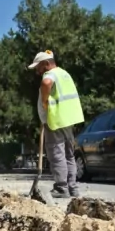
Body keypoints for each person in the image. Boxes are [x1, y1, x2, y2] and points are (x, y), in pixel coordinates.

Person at [27, 50, 85, 198]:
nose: (38, 71)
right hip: (68, 119)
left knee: (57, 154)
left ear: (46, 64)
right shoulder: (64, 74)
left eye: (38, 67)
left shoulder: (50, 75)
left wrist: (45, 102)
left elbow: (46, 83)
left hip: (56, 119)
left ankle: (61, 188)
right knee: (68, 154)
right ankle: (72, 187)